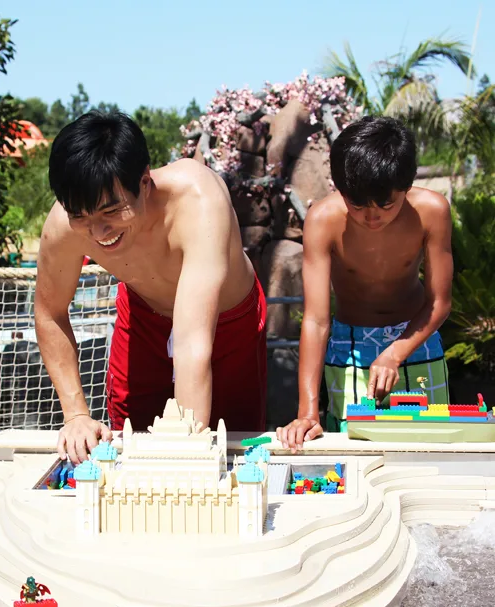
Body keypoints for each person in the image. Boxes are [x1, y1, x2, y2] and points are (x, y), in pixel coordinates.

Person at [36, 111, 267, 464]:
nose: (98, 233)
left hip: (227, 323)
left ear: (144, 183)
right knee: (130, 442)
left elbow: (192, 344)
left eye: (111, 211)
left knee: (227, 444)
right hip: (144, 317)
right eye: (81, 217)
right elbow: (50, 313)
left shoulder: (198, 200)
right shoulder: (63, 226)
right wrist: (76, 414)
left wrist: (185, 458)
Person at [277, 116, 452, 450]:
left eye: (386, 204)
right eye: (356, 204)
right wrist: (308, 411)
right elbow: (315, 320)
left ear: (407, 184)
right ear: (340, 190)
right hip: (349, 346)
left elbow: (439, 302)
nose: (372, 217)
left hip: (417, 338)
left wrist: (395, 352)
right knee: (353, 451)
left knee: (431, 449)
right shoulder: (323, 219)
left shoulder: (432, 210)